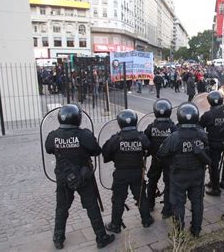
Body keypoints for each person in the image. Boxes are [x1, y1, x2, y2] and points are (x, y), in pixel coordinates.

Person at [45, 104, 114, 249]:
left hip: (63, 177)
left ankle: (58, 238)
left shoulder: (53, 136)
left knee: (61, 207)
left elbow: (48, 149)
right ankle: (101, 237)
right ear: (78, 118)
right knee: (91, 206)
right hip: (84, 177)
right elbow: (96, 151)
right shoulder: (84, 135)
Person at [157, 103, 209, 237]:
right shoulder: (202, 135)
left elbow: (161, 154)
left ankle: (178, 234)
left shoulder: (174, 137)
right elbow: (208, 152)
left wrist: (171, 163)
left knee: (178, 204)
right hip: (197, 174)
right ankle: (196, 230)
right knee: (197, 202)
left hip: (178, 176)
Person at [102, 110, 154, 233]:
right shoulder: (141, 137)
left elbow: (105, 154)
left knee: (118, 198)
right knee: (141, 196)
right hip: (137, 172)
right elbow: (149, 150)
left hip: (121, 173)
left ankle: (115, 225)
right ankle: (146, 220)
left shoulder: (115, 139)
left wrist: (117, 156)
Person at [144, 99, 178, 218]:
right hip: (170, 160)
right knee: (169, 183)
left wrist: (149, 151)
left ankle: (149, 204)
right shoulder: (173, 127)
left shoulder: (151, 127)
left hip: (156, 159)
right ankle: (167, 209)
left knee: (152, 180)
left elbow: (145, 142)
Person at [200, 91, 224, 196]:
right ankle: (220, 182)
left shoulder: (208, 115)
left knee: (213, 166)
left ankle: (216, 188)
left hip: (213, 143)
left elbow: (199, 127)